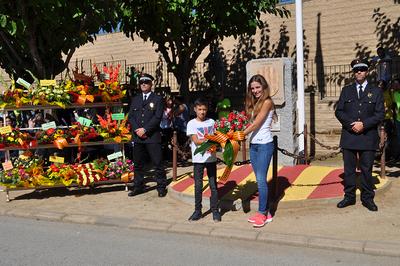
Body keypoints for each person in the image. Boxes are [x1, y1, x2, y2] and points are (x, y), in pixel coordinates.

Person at [335, 59, 384, 212]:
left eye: (362, 69)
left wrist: (363, 124)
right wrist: (352, 124)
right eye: (356, 70)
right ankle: (349, 196)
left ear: (367, 71)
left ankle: (367, 198)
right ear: (354, 72)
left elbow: (380, 114)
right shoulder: (346, 90)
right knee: (349, 169)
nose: (359, 72)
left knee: (366, 169)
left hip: (368, 136)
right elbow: (339, 111)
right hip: (350, 135)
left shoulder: (376, 91)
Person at [243, 74, 275, 228]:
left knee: (262, 180)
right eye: (253, 88)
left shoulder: (267, 102)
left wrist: (240, 135)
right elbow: (249, 123)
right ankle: (267, 213)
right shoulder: (254, 103)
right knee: (259, 180)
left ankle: (262, 213)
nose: (255, 90)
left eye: (258, 87)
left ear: (263, 87)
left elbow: (256, 124)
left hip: (264, 145)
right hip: (254, 145)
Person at [128, 73, 167, 197]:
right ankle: (138, 186)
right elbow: (131, 116)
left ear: (151, 84)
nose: (143, 84)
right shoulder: (136, 99)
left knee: (157, 163)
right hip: (138, 136)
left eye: (146, 82)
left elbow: (157, 117)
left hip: (152, 136)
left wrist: (145, 130)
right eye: (141, 82)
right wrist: (137, 130)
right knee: (138, 164)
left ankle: (161, 187)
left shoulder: (157, 99)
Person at [186, 98, 221, 222]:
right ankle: (197, 211)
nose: (202, 112)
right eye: (200, 109)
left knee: (213, 185)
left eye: (204, 109)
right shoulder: (191, 124)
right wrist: (211, 141)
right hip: (198, 159)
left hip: (211, 159)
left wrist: (218, 141)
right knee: (198, 185)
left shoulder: (211, 122)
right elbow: (196, 140)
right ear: (195, 109)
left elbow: (217, 136)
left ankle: (215, 210)